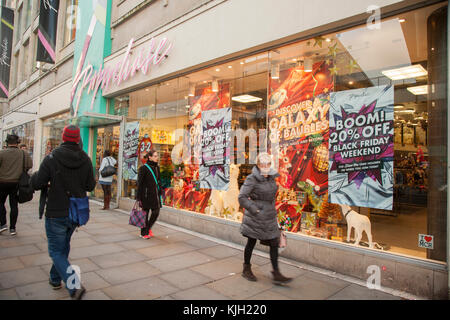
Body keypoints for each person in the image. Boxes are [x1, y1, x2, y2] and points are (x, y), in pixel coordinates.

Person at [31, 125, 96, 300]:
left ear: (63, 138)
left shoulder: (51, 157)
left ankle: (73, 285)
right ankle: (54, 279)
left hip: (56, 211)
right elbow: (90, 185)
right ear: (77, 139)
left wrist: (37, 177)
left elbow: (37, 183)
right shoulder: (86, 159)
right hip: (75, 212)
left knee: (56, 251)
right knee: (63, 247)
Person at [238, 153, 292, 284]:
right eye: (263, 164)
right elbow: (242, 197)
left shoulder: (271, 178)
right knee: (251, 241)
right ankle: (246, 268)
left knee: (274, 242)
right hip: (255, 216)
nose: (265, 167)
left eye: (268, 164)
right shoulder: (252, 179)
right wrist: (255, 209)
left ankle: (276, 272)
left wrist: (274, 212)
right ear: (258, 165)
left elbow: (272, 197)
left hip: (269, 216)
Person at [0, 134, 32, 236]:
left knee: (0, 203)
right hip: (17, 183)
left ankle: (3, 223)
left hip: (2, 183)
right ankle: (12, 228)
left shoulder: (1, 153)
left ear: (7, 142)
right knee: (14, 205)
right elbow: (29, 165)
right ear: (17, 142)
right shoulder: (23, 153)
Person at [136, 149, 162, 239]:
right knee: (145, 214)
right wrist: (138, 197)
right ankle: (143, 233)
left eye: (157, 156)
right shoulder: (144, 168)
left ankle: (148, 228)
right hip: (146, 195)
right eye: (155, 156)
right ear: (149, 157)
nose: (157, 158)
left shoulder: (157, 168)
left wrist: (160, 190)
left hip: (155, 195)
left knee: (156, 212)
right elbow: (139, 183)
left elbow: (158, 181)